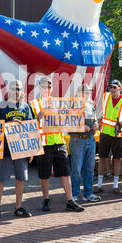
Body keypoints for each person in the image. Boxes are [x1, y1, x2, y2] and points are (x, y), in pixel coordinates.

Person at [30, 76, 84, 212]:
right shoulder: (34, 104)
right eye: (43, 86)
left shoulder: (58, 103)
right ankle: (46, 200)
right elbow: (28, 127)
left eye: (49, 86)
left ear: (51, 88)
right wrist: (37, 119)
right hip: (43, 144)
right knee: (44, 175)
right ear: (39, 87)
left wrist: (78, 116)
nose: (46, 88)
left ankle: (70, 200)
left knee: (65, 173)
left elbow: (68, 118)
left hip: (59, 142)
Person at [0, 80, 33, 220]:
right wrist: (9, 124)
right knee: (0, 179)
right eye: (14, 88)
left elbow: (30, 129)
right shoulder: (1, 106)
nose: (17, 91)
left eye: (19, 88)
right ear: (8, 90)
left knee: (21, 179)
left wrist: (31, 150)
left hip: (21, 149)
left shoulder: (26, 107)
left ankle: (18, 207)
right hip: (6, 149)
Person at [94, 80, 122, 194]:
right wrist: (98, 119)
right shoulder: (105, 97)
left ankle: (115, 185)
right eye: (110, 87)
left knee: (117, 159)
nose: (112, 89)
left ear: (120, 88)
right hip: (104, 132)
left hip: (118, 135)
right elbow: (97, 111)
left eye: (114, 87)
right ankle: (99, 185)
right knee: (102, 158)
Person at [69, 84, 100, 202]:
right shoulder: (72, 106)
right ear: (79, 93)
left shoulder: (89, 106)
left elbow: (94, 119)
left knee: (89, 168)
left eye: (88, 93)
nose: (88, 95)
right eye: (85, 92)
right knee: (76, 169)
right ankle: (75, 194)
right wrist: (81, 127)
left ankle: (88, 193)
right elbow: (67, 123)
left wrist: (96, 124)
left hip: (90, 139)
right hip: (77, 139)